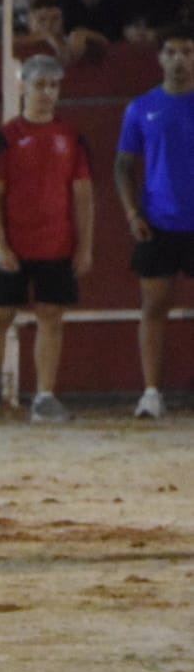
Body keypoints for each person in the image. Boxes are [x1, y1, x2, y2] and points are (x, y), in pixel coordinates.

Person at [0, 55, 95, 425]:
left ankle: (45, 397)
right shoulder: (4, 139)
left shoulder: (71, 137)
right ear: (23, 87)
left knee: (51, 315)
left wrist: (85, 246)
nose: (47, 93)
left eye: (53, 86)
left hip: (57, 243)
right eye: (39, 85)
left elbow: (82, 195)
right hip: (14, 243)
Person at [114, 23, 194, 418]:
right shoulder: (141, 107)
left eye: (187, 52)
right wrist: (132, 213)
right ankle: (151, 392)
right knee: (154, 305)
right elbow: (123, 167)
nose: (180, 60)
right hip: (158, 221)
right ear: (160, 58)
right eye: (172, 52)